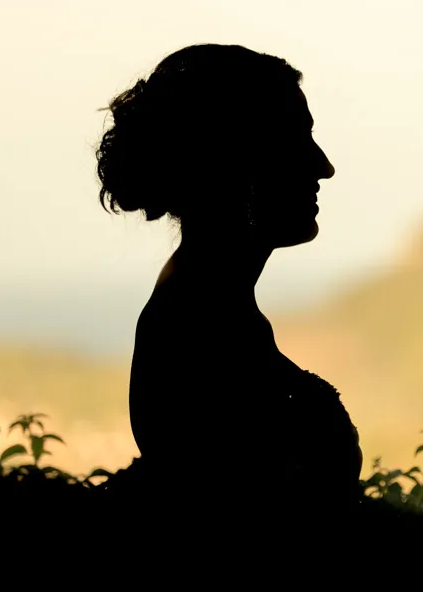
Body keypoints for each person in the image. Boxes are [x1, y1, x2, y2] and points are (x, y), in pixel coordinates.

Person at [95, 44, 362, 523]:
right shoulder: (197, 326)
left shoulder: (207, 310)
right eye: (297, 139)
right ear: (238, 162)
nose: (323, 166)